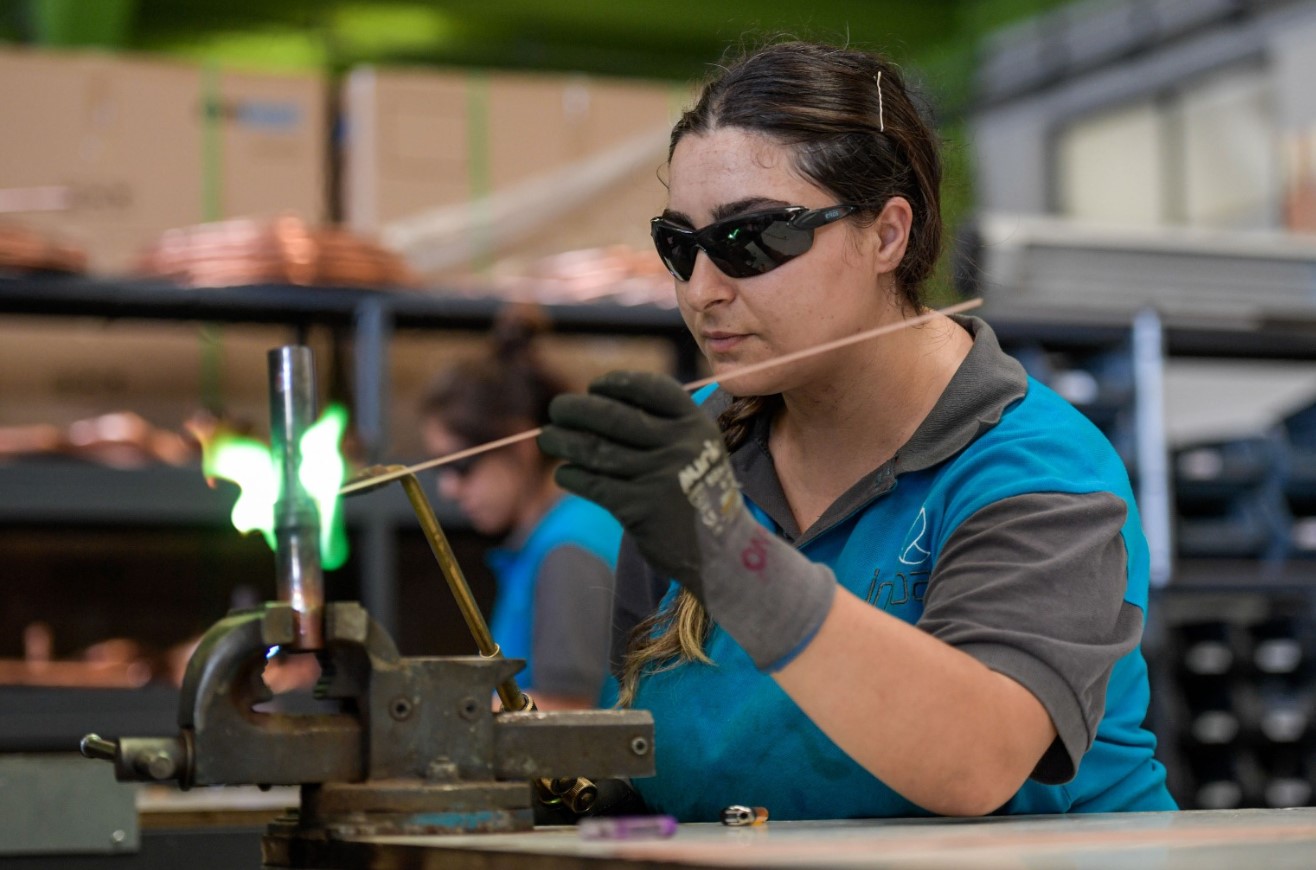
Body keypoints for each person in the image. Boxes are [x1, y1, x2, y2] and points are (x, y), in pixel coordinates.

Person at [537, 40, 1177, 820]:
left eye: (750, 239)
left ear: (886, 235)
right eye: (681, 246)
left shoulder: (1035, 467)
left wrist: (730, 555)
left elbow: (976, 762)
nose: (704, 290)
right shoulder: (704, 461)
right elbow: (646, 763)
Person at [420, 306, 623, 711]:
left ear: (519, 443)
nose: (448, 489)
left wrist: (440, 711)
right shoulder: (559, 533)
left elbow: (569, 712)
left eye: (460, 466)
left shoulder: (569, 548)